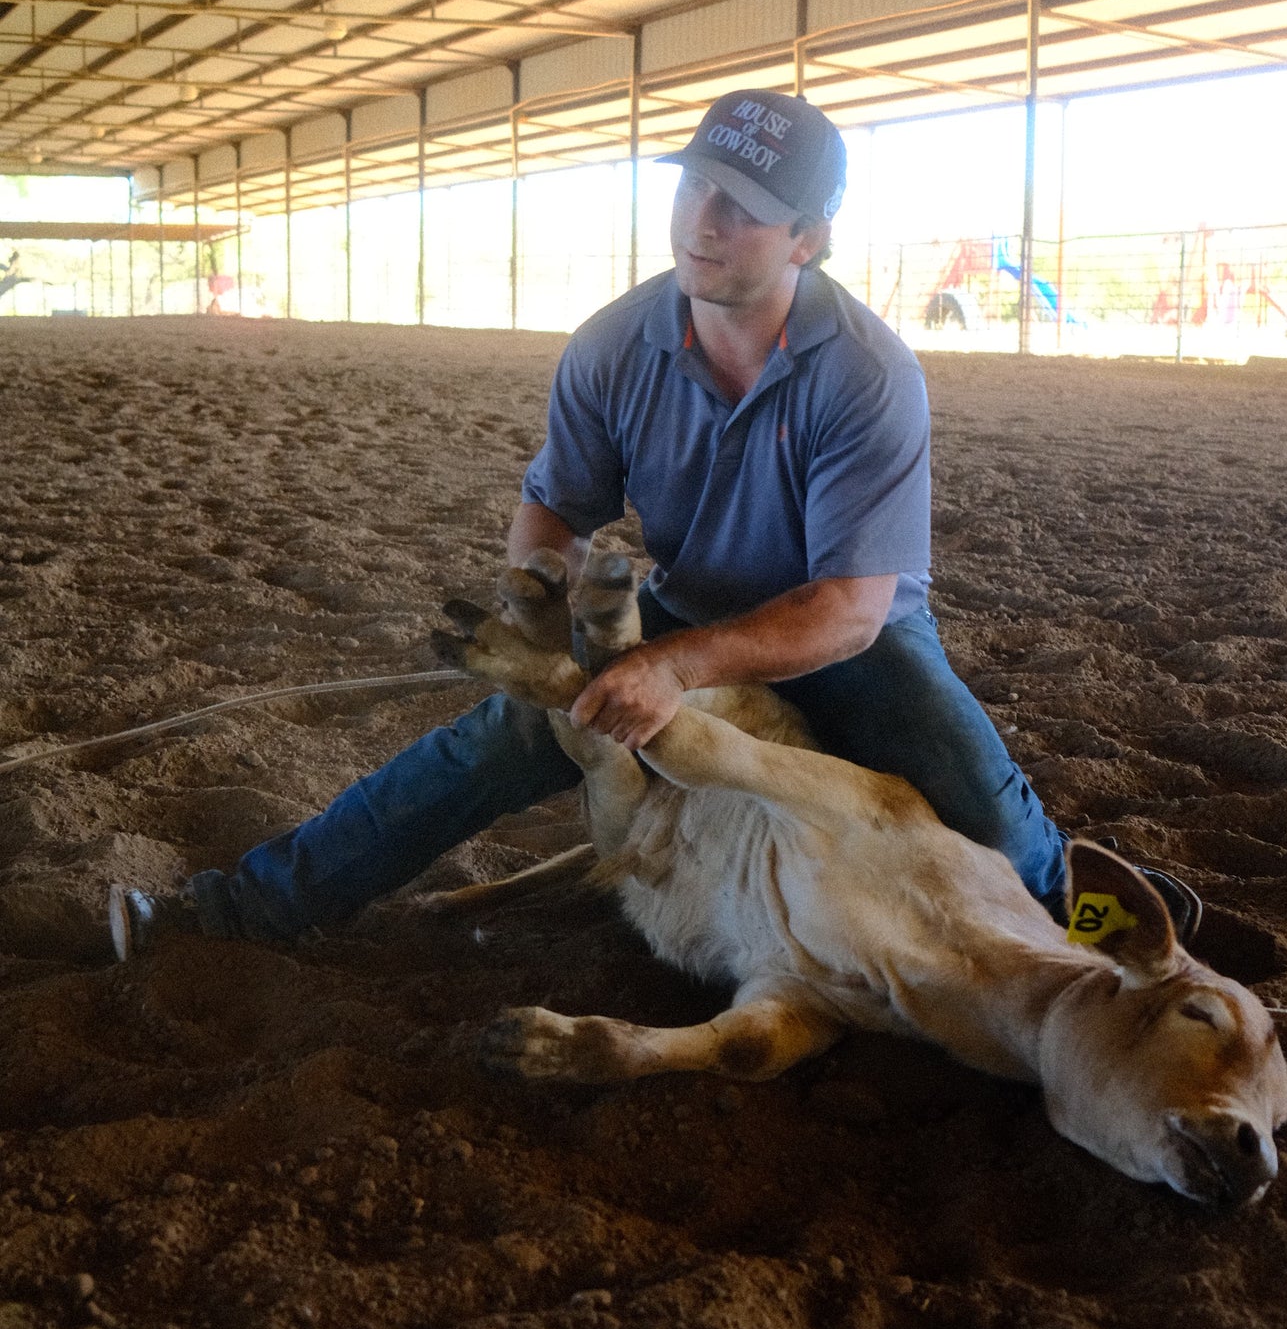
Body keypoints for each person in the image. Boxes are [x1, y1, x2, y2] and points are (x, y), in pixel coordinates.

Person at [110, 89, 1199, 958]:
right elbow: (557, 505)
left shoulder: (867, 375)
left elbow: (850, 605)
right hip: (691, 604)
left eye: (740, 204)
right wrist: (537, 599)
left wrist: (672, 666)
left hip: (844, 637)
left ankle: (1102, 916)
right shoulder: (612, 343)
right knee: (490, 743)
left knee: (987, 816)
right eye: (693, 186)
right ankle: (236, 909)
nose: (701, 220)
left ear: (807, 238)